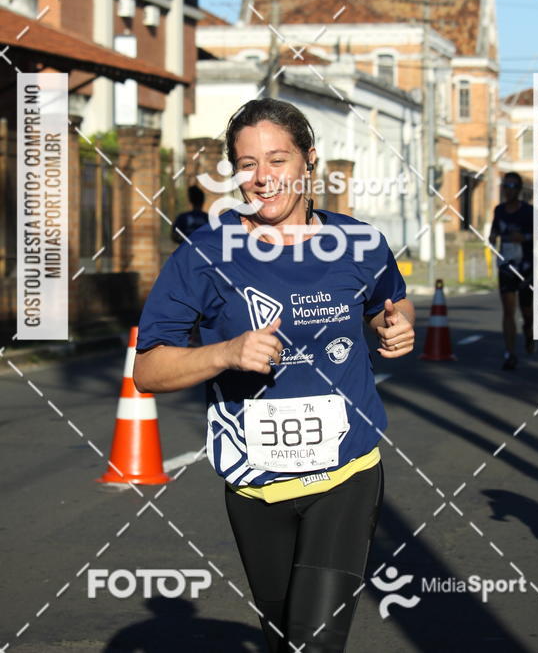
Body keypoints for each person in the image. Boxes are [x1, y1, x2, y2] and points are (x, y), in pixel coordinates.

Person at [134, 98, 415, 652]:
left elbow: (394, 303)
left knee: (314, 644)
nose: (262, 178)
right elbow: (148, 369)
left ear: (310, 160)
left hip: (346, 474)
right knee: (283, 640)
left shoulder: (358, 241)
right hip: (255, 485)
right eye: (246, 164)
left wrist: (397, 329)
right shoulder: (205, 253)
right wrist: (226, 353)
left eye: (278, 160)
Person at [489, 171, 535, 370]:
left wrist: (524, 237)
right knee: (508, 311)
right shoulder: (499, 210)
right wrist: (492, 238)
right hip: (507, 266)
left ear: (519, 189)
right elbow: (494, 232)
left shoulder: (529, 211)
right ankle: (510, 353)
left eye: (512, 186)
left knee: (527, 311)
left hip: (525, 266)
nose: (508, 190)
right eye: (505, 186)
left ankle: (529, 329)